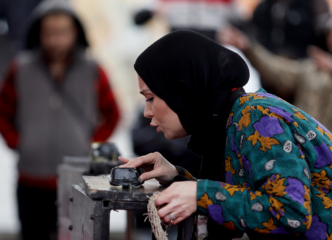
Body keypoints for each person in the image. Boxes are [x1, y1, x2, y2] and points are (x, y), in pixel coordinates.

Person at [119, 30, 332, 239]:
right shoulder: (231, 120)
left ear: (182, 91)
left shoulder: (257, 118)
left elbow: (291, 213)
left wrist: (199, 193)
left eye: (150, 98)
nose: (147, 112)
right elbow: (246, 198)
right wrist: (178, 177)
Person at [0, 0, 120, 239]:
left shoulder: (92, 69)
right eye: (49, 33)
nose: (55, 40)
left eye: (62, 33)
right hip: (31, 179)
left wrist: (90, 144)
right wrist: (18, 142)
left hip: (78, 181)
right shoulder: (20, 68)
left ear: (75, 33)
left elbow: (113, 113)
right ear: (38, 33)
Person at [216, 25, 332, 132]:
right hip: (306, 141)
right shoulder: (315, 67)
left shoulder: (325, 66)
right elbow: (279, 73)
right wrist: (249, 47)